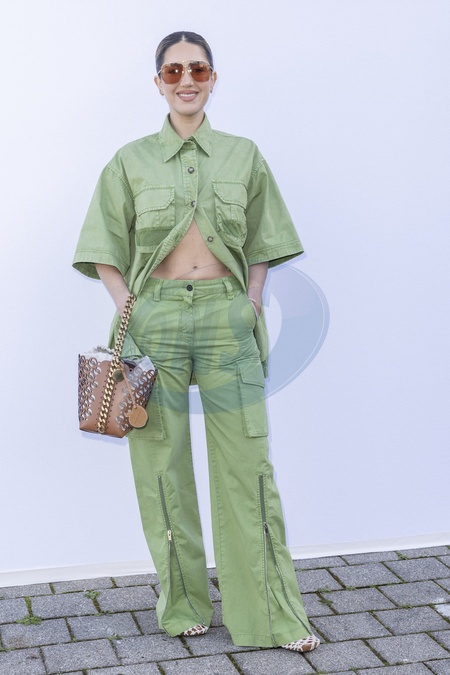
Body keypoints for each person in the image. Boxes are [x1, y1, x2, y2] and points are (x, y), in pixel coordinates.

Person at [73, 31, 319, 653]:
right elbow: (102, 244)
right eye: (174, 70)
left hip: (225, 319)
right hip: (152, 321)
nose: (187, 79)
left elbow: (263, 239)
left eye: (199, 69)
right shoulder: (129, 161)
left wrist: (252, 298)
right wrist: (127, 303)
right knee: (161, 465)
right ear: (158, 81)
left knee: (249, 467)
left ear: (213, 78)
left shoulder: (244, 155)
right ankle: (182, 603)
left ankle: (271, 617)